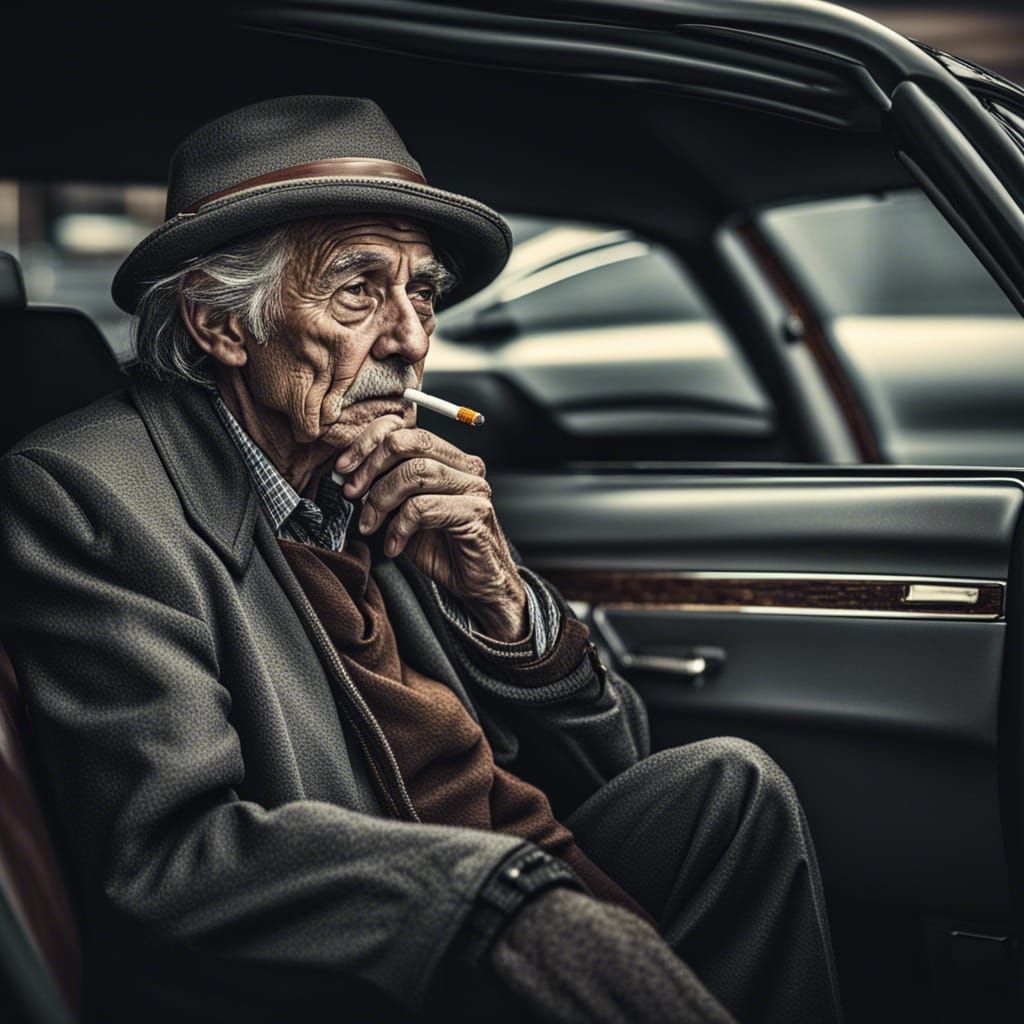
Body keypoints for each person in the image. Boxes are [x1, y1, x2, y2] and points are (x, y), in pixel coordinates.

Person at [0, 96, 842, 1024]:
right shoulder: (88, 496)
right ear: (220, 324)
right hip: (387, 943)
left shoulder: (375, 472)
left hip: (506, 873)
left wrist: (504, 609)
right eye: (360, 288)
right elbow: (174, 861)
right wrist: (492, 901)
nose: (410, 338)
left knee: (732, 790)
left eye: (423, 292)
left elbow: (610, 765)